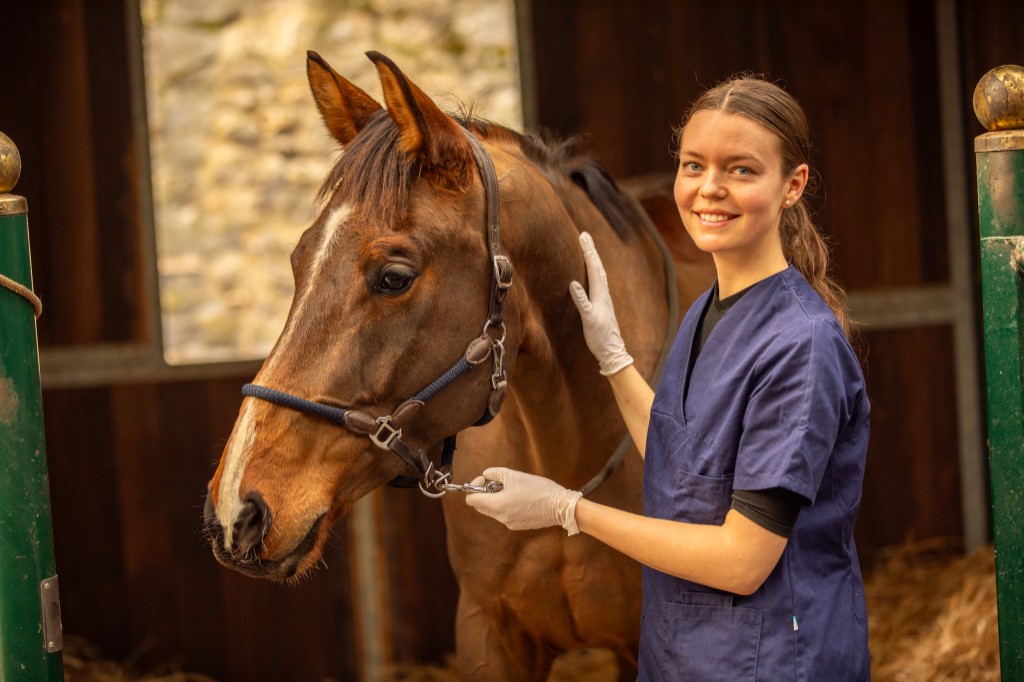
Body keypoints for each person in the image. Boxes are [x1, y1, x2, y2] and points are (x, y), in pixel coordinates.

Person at [466, 75, 871, 681]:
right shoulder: (707, 310)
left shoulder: (800, 345)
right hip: (686, 657)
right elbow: (686, 470)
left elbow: (741, 561)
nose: (710, 188)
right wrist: (614, 359)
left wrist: (568, 509)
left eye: (741, 170)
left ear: (793, 186)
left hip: (772, 662)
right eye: (693, 165)